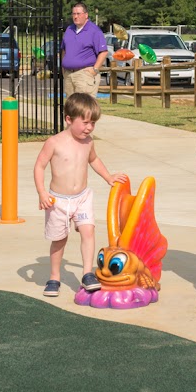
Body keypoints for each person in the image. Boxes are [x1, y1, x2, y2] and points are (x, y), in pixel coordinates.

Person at [34, 92, 127, 297]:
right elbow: (39, 166)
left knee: (88, 231)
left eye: (93, 123)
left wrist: (108, 177)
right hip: (57, 201)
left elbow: (93, 160)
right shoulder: (54, 142)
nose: (89, 127)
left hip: (82, 198)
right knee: (60, 239)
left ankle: (87, 274)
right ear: (68, 119)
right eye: (85, 122)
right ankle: (54, 277)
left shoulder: (88, 142)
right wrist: (42, 193)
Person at [61, 2, 108, 98]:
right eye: (73, 14)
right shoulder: (69, 29)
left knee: (84, 107)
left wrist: (95, 70)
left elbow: (103, 52)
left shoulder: (94, 31)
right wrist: (63, 69)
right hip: (69, 75)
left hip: (84, 75)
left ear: (86, 15)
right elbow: (64, 50)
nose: (75, 16)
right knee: (71, 107)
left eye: (78, 14)